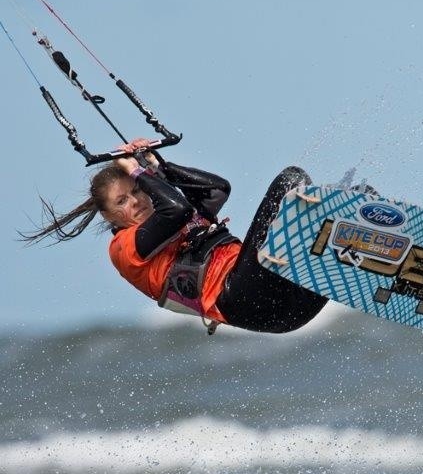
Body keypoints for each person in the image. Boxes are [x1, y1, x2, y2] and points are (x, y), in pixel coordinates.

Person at [24, 138, 327, 334]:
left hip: (291, 308)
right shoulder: (124, 248)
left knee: (335, 216)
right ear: (108, 216)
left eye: (136, 192)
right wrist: (138, 172)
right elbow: (178, 210)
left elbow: (217, 190)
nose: (136, 201)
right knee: (290, 182)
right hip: (243, 298)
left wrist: (159, 166)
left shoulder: (170, 216)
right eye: (122, 201)